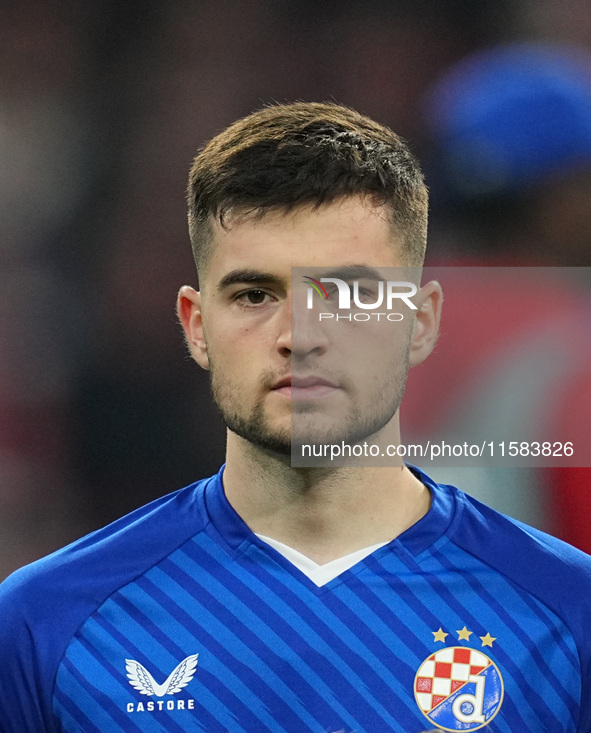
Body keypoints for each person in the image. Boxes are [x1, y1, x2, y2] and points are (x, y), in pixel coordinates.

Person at [0, 102, 589, 733]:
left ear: (421, 323)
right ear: (196, 328)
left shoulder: (568, 613)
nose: (299, 335)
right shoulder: (48, 622)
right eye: (255, 295)